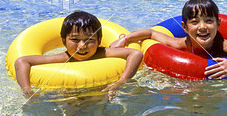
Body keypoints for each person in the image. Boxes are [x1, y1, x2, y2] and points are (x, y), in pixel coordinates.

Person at [110, 0, 227, 79]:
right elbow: (151, 33)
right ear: (185, 28)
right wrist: (124, 40)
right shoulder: (182, 44)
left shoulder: (225, 46)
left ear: (218, 24)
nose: (202, 27)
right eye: (194, 22)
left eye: (209, 21)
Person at [15, 11, 143, 98]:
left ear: (99, 41)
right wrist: (27, 90)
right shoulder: (64, 58)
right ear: (64, 41)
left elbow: (135, 54)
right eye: (75, 40)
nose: (82, 46)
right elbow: (22, 61)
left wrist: (121, 82)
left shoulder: (103, 53)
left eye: (90, 40)